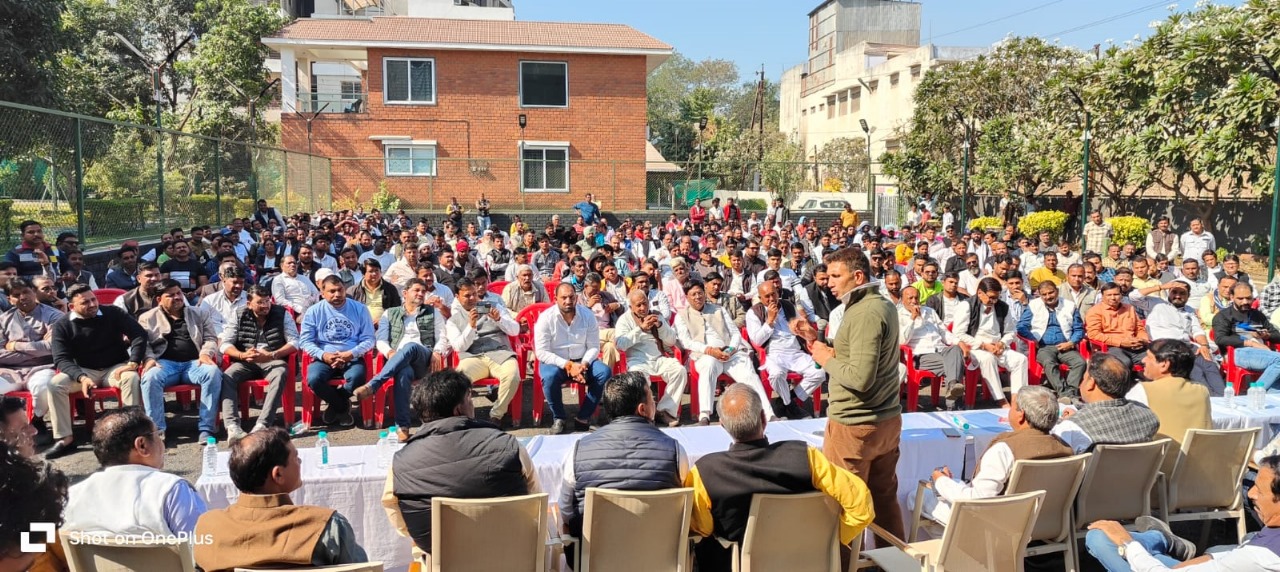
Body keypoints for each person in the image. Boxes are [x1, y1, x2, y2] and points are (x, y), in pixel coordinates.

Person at [685, 384, 874, 571]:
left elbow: (701, 528)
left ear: (723, 426)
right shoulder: (805, 457)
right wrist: (828, 539)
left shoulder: (704, 472)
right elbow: (860, 504)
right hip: (801, 562)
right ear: (763, 419)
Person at [381, 370, 539, 569]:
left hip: (442, 560)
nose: (473, 404)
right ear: (458, 410)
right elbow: (534, 502)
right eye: (469, 398)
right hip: (510, 559)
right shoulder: (509, 446)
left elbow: (394, 511)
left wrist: (421, 538)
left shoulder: (401, 462)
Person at [807, 247, 904, 541]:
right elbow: (857, 356)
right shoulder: (878, 304)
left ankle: (845, 563)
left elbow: (860, 378)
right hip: (885, 420)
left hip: (855, 425)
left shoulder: (865, 312)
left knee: (844, 506)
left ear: (858, 276)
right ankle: (895, 560)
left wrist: (825, 358)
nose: (829, 281)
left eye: (836, 275)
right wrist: (816, 341)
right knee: (884, 498)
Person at [194, 427, 367, 572]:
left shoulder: (207, 527)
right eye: (295, 458)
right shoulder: (327, 526)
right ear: (278, 474)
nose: (299, 461)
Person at [1086, 454, 1280, 571]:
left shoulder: (1262, 557)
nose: (1251, 494)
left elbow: (1246, 559)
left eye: (1260, 491)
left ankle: (1160, 539)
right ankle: (1161, 541)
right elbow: (1237, 555)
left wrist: (1127, 543)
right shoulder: (1266, 542)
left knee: (1101, 539)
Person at [916, 386, 1071, 527]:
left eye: (1013, 407)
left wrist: (941, 481)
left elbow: (978, 501)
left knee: (917, 496)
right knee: (954, 485)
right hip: (1048, 523)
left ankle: (959, 551)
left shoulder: (1005, 450)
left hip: (1001, 526)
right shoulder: (1064, 448)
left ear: (1021, 416)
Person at [557, 371, 688, 540]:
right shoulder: (675, 450)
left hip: (594, 561)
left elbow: (566, 512)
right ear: (643, 409)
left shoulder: (578, 450)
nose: (654, 401)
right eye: (652, 398)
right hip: (658, 557)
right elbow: (682, 509)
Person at [62, 407, 206, 535]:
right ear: (141, 445)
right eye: (158, 435)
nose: (163, 444)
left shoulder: (72, 496)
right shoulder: (172, 490)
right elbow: (202, 549)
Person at [45, 284, 147, 458]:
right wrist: (81, 377)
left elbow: (139, 334)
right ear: (72, 307)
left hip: (115, 367)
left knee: (131, 378)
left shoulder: (113, 313)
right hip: (83, 370)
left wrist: (133, 362)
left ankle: (133, 434)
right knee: (55, 384)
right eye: (85, 302)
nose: (92, 304)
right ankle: (65, 439)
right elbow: (61, 358)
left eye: (94, 299)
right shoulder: (62, 325)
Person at [138, 279, 224, 442]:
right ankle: (157, 431)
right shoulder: (147, 318)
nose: (177, 297)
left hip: (194, 363)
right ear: (159, 299)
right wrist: (149, 358)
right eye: (171, 295)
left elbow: (211, 338)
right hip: (165, 364)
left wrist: (205, 353)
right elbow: (143, 343)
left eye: (179, 293)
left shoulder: (198, 313)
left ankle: (207, 429)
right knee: (149, 377)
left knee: (213, 372)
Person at [360, 279, 448, 435]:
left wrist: (437, 351)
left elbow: (442, 336)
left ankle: (374, 384)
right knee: (403, 373)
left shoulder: (432, 312)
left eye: (423, 291)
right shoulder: (390, 313)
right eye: (417, 290)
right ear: (405, 293)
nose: (421, 294)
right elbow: (380, 339)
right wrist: (389, 352)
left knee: (411, 347)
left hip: (424, 358)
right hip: (399, 361)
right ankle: (403, 426)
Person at [218, 286, 299, 440]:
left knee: (280, 372)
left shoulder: (282, 313)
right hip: (246, 360)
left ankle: (263, 424)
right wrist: (242, 355)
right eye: (260, 302)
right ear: (249, 303)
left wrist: (273, 354)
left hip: (273, 359)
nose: (265, 306)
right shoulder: (239, 314)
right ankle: (232, 427)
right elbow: (225, 344)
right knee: (228, 375)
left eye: (267, 301)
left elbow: (295, 341)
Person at [535, 283, 612, 434]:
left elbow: (594, 347)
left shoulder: (587, 315)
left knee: (604, 372)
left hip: (582, 360)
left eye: (571, 297)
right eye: (563, 298)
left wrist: (583, 364)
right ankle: (559, 418)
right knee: (549, 377)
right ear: (555, 298)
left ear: (576, 298)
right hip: (556, 362)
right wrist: (568, 365)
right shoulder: (545, 318)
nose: (568, 301)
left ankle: (583, 417)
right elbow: (542, 352)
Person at [300, 275, 375, 427]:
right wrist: (324, 355)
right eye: (332, 291)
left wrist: (351, 354)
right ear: (322, 293)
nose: (337, 295)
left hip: (352, 356)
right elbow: (305, 341)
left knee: (357, 376)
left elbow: (369, 339)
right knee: (314, 379)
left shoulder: (360, 309)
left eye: (340, 290)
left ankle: (334, 405)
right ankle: (342, 406)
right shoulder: (314, 311)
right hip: (324, 357)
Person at [1125, 339, 1211, 472]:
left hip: (1160, 475)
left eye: (1148, 357)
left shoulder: (1143, 390)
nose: (1143, 361)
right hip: (1199, 473)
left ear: (1164, 364)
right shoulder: (1202, 391)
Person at [446, 277, 521, 427]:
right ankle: (467, 418)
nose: (472, 298)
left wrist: (499, 320)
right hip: (472, 357)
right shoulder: (453, 320)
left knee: (512, 376)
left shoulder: (494, 307)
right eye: (467, 295)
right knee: (457, 381)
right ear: (457, 297)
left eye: (474, 294)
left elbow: (515, 330)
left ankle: (497, 414)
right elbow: (459, 347)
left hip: (499, 353)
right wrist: (470, 326)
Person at [1052, 354, 1160, 453]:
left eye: (1084, 378)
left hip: (1093, 474)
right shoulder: (1149, 416)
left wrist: (1072, 421)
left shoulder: (1072, 429)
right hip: (1137, 473)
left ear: (1091, 383)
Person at [746, 281, 824, 419]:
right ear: (760, 297)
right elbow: (757, 341)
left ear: (778, 293)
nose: (771, 299)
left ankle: (787, 401)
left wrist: (803, 328)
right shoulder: (754, 313)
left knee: (820, 372)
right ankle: (790, 406)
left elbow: (801, 325)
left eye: (773, 294)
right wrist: (769, 321)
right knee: (776, 374)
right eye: (767, 296)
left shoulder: (787, 305)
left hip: (795, 350)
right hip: (774, 353)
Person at [614, 289, 687, 426]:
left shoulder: (656, 315)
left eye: (645, 304)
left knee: (680, 371)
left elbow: (671, 341)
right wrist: (640, 329)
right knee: (640, 378)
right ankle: (646, 416)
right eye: (638, 305)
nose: (643, 308)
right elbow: (620, 344)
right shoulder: (624, 320)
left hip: (658, 358)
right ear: (631, 307)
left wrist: (660, 325)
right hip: (636, 360)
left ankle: (664, 411)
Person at [0, 280, 62, 441]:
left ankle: (36, 421)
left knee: (43, 386)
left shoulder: (53, 315)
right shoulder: (3, 319)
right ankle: (6, 429)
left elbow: (52, 347)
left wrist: (15, 345)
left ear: (34, 292)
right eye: (16, 295)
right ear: (9, 299)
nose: (22, 297)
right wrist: (37, 349)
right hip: (10, 370)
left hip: (43, 367)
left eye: (26, 292)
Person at [953, 277, 1027, 407]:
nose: (993, 301)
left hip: (997, 346)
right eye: (991, 297)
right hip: (975, 348)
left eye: (996, 298)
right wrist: (983, 345)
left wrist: (1002, 343)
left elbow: (1011, 331)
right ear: (980, 293)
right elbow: (958, 333)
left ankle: (1017, 400)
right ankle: (1001, 400)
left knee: (1020, 359)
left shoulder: (1002, 306)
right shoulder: (967, 305)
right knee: (988, 359)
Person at [1145, 282, 1226, 395]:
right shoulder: (1157, 304)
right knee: (1195, 370)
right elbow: (1134, 296)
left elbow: (1197, 330)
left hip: (1187, 346)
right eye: (1174, 292)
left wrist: (1204, 345)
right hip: (1165, 347)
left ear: (1188, 296)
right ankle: (1210, 401)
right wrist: (1162, 286)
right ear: (1169, 292)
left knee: (1209, 364)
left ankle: (1224, 398)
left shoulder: (1189, 310)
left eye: (1182, 293)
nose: (1177, 296)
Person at [898, 285, 968, 408]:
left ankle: (952, 385)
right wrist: (912, 319)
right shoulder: (898, 315)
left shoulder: (929, 311)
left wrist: (959, 342)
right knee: (956, 364)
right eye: (910, 298)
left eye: (916, 297)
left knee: (956, 350)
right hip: (921, 355)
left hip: (940, 349)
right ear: (902, 300)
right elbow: (902, 341)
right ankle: (954, 405)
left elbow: (944, 332)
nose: (914, 301)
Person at [1018, 281, 1087, 401]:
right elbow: (1021, 326)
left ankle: (1070, 392)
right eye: (1044, 294)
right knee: (1049, 362)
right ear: (1040, 295)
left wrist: (1071, 343)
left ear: (1057, 291)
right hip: (1043, 346)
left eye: (1051, 293)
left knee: (1080, 362)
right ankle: (1064, 393)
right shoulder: (1034, 305)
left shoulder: (1069, 305)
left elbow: (1079, 329)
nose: (1048, 296)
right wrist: (1032, 339)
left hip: (1066, 345)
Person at [1213, 283, 1280, 389]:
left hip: (1262, 352)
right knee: (1278, 361)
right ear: (1232, 297)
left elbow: (1277, 336)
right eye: (1240, 298)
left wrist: (1266, 336)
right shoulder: (1224, 316)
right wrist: (1250, 343)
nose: (1245, 302)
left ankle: (1270, 399)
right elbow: (1220, 339)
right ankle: (1255, 392)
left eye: (1248, 298)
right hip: (1238, 352)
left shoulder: (1257, 315)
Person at [1087, 282, 1151, 372]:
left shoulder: (1130, 308)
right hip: (1111, 347)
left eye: (1116, 294)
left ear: (1121, 295)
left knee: (1156, 361)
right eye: (1109, 295)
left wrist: (1142, 340)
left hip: (1133, 345)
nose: (1113, 298)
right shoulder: (1095, 311)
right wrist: (1121, 342)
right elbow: (1094, 334)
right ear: (1102, 296)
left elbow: (1139, 328)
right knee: (1123, 363)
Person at [346, 258, 401, 325]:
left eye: (377, 270)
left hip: (384, 327)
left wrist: (382, 321)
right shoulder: (352, 291)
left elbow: (397, 310)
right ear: (363, 274)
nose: (374, 274)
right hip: (361, 327)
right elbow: (348, 312)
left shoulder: (390, 289)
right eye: (371, 271)